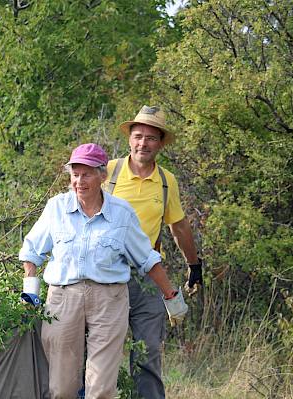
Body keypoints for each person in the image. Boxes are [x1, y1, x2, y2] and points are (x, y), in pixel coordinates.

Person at [18, 143, 187, 399]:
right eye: (75, 174)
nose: (79, 181)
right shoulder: (56, 208)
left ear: (102, 176)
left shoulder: (121, 213)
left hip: (109, 300)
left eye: (86, 174)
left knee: (101, 389)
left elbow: (147, 259)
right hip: (63, 298)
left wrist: (171, 297)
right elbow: (31, 252)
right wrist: (30, 292)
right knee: (61, 388)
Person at [105, 105, 203, 399]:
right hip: (106, 274)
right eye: (138, 136)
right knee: (101, 351)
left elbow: (179, 227)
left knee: (147, 354)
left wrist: (194, 265)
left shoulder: (165, 181)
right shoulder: (108, 172)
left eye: (150, 138)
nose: (143, 143)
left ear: (160, 144)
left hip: (147, 276)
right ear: (129, 138)